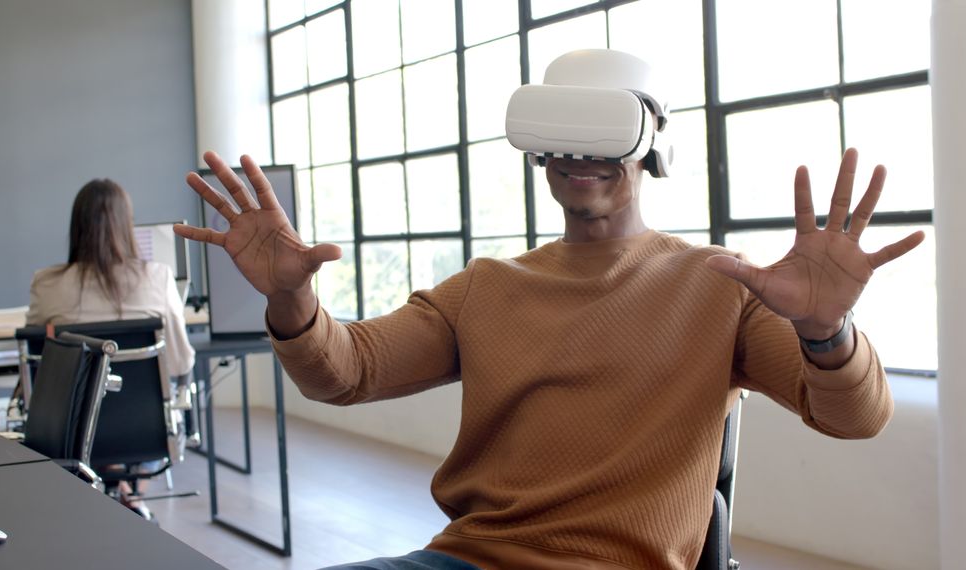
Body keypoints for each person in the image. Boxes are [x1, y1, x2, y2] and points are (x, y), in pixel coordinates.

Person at [173, 49, 924, 569]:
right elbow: (347, 372)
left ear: (651, 140)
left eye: (604, 129)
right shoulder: (488, 285)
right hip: (463, 561)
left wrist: (826, 332)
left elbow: (855, 417)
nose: (580, 154)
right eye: (562, 132)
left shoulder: (721, 284)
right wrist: (291, 297)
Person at [26, 178, 196, 522]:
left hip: (69, 431)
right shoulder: (158, 277)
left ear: (76, 227)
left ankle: (109, 489)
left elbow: (38, 368)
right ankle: (130, 494)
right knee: (162, 402)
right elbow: (180, 362)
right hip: (144, 431)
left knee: (94, 412)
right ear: (127, 225)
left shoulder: (46, 283)